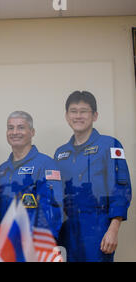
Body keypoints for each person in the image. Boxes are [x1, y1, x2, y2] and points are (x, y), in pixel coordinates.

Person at [55, 91, 132, 262]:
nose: (78, 115)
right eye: (73, 111)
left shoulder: (109, 145)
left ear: (95, 115)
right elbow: (55, 195)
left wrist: (113, 229)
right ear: (67, 116)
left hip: (97, 228)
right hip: (66, 230)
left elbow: (121, 188)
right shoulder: (61, 153)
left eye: (84, 111)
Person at [0, 111, 63, 242]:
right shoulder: (1, 170)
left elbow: (53, 209)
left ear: (32, 132)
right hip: (4, 247)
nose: (15, 132)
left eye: (21, 127)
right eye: (10, 128)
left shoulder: (45, 165)